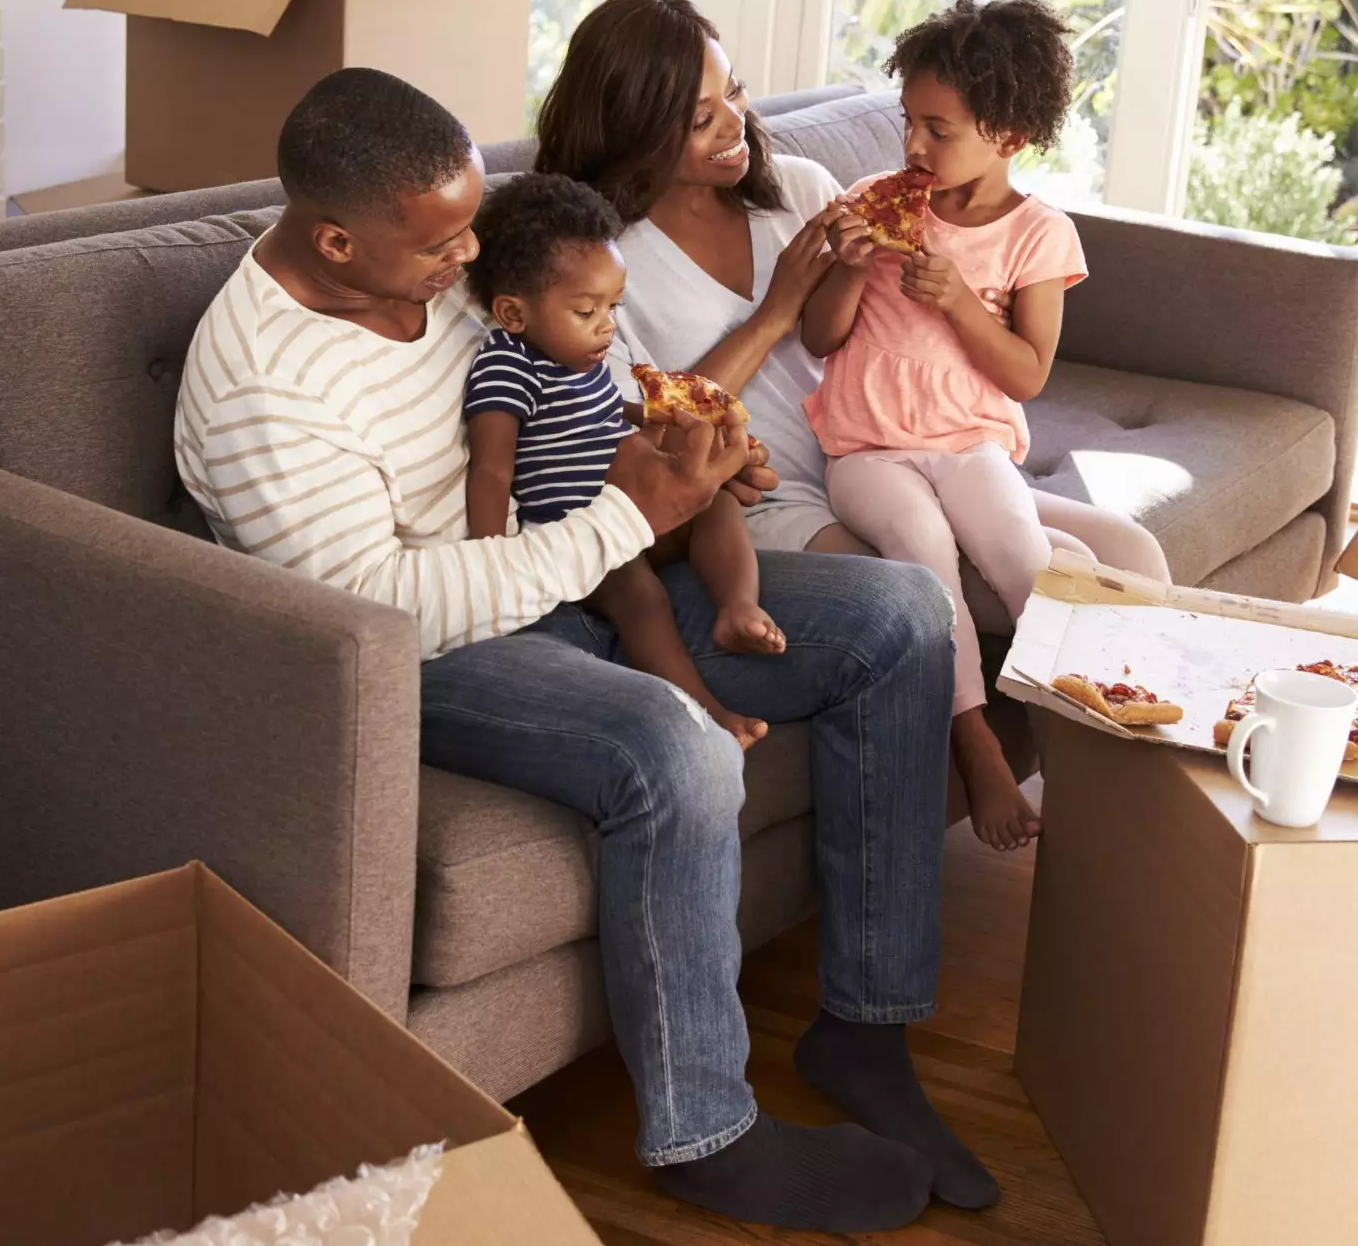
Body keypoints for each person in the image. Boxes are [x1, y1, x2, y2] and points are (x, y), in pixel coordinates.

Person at [175, 68, 995, 1229]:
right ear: (336, 244)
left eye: (471, 231)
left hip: (576, 564)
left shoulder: (450, 268)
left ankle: (864, 1032)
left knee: (899, 615)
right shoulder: (262, 388)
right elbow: (377, 607)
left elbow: (571, 389)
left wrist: (681, 458)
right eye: (439, 247)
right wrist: (629, 519)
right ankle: (707, 1133)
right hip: (424, 650)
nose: (469, 263)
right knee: (673, 747)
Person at [535, 0, 1171, 845]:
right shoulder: (601, 261)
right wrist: (777, 307)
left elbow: (905, 328)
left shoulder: (797, 188)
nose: (735, 125)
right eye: (700, 117)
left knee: (1126, 554)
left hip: (896, 446)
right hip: (772, 500)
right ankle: (1015, 763)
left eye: (737, 93)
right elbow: (650, 423)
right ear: (637, 128)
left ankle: (1130, 800)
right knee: (1049, 572)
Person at [803, 0, 1094, 849]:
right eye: (908, 124)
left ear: (1008, 134)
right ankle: (974, 740)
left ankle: (1083, 748)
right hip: (865, 450)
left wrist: (963, 303)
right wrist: (851, 270)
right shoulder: (871, 201)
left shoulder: (1039, 234)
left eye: (938, 129)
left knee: (1023, 558)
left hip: (970, 443)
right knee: (925, 555)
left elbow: (1028, 372)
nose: (913, 148)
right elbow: (819, 336)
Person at [462, 172, 779, 752]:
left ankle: (738, 607)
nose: (608, 325)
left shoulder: (581, 358)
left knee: (717, 503)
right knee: (641, 598)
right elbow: (490, 468)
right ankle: (708, 712)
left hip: (637, 514)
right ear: (513, 313)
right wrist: (493, 566)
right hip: (581, 537)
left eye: (614, 306)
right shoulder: (507, 366)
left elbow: (611, 414)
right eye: (587, 311)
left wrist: (666, 422)